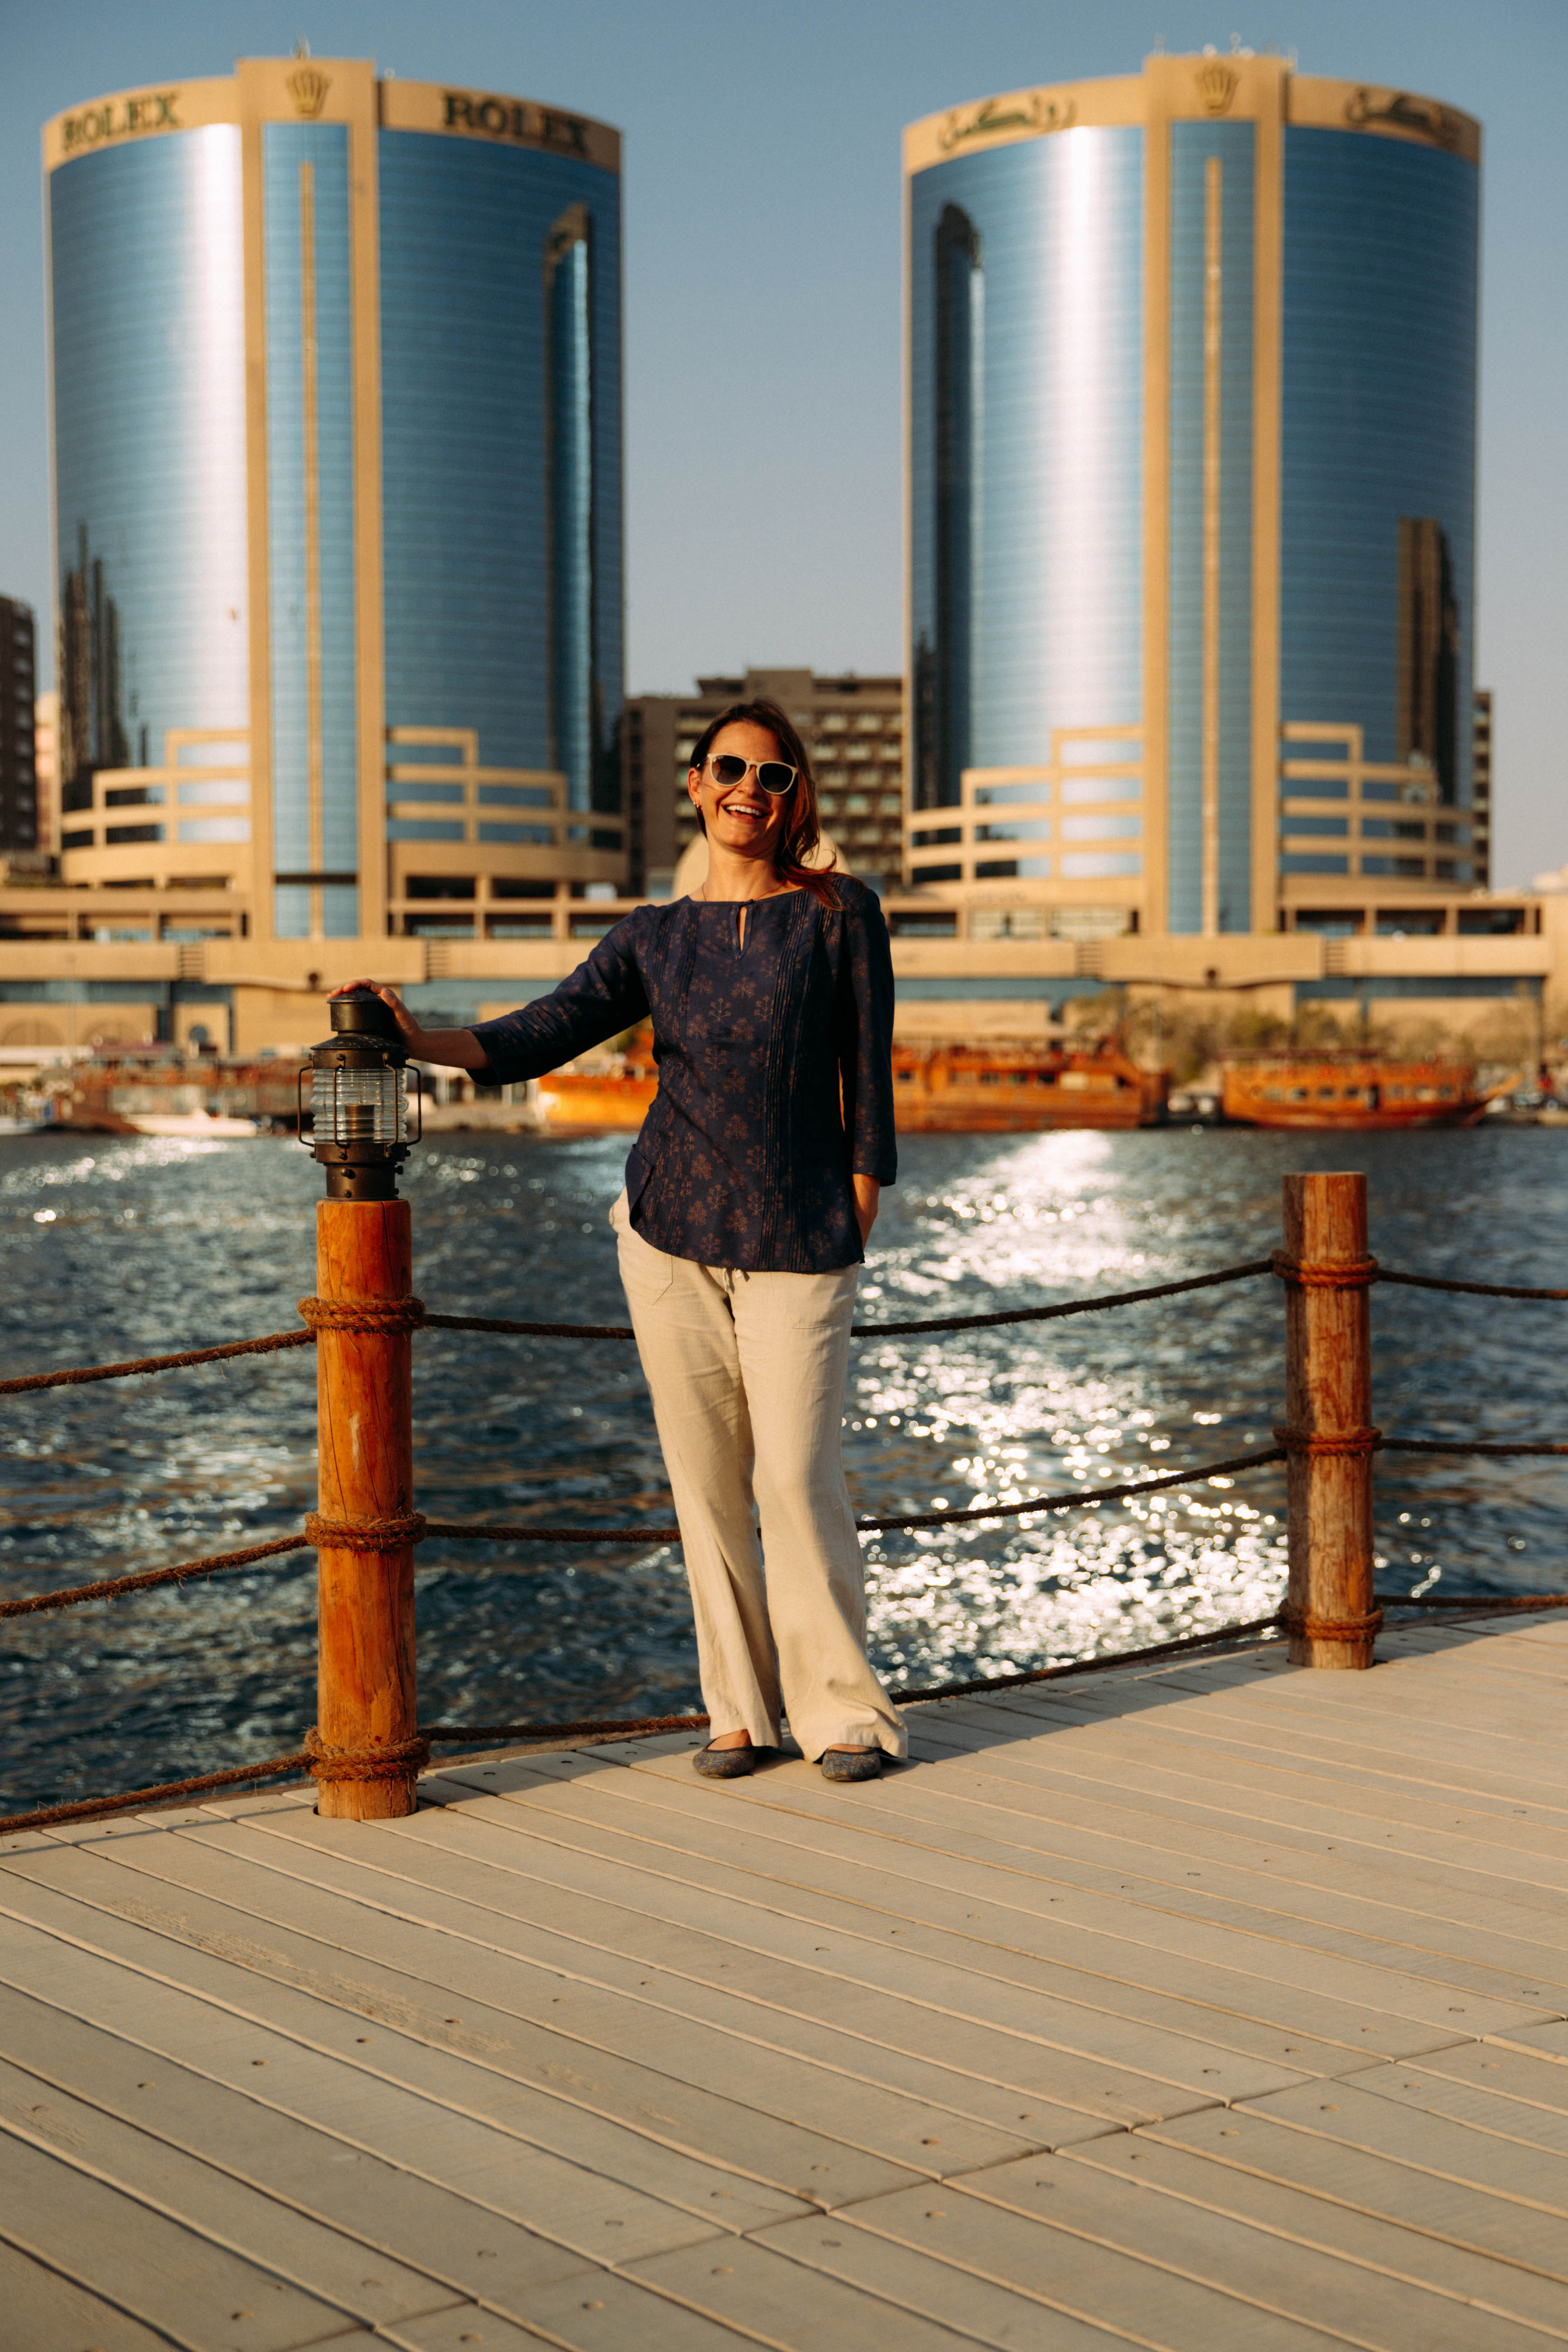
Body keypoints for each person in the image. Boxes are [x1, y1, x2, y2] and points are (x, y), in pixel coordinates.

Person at [335, 698, 905, 1783]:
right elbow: (542, 1032)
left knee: (794, 1477)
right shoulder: (653, 936)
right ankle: (740, 1714)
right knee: (703, 1483)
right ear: (694, 784)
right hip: (667, 1234)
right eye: (729, 768)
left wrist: (862, 1197)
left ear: (794, 798)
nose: (749, 789)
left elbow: (866, 1073)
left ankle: (843, 1714)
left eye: (773, 775)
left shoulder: (839, 913)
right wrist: (418, 1040)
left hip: (800, 1235)